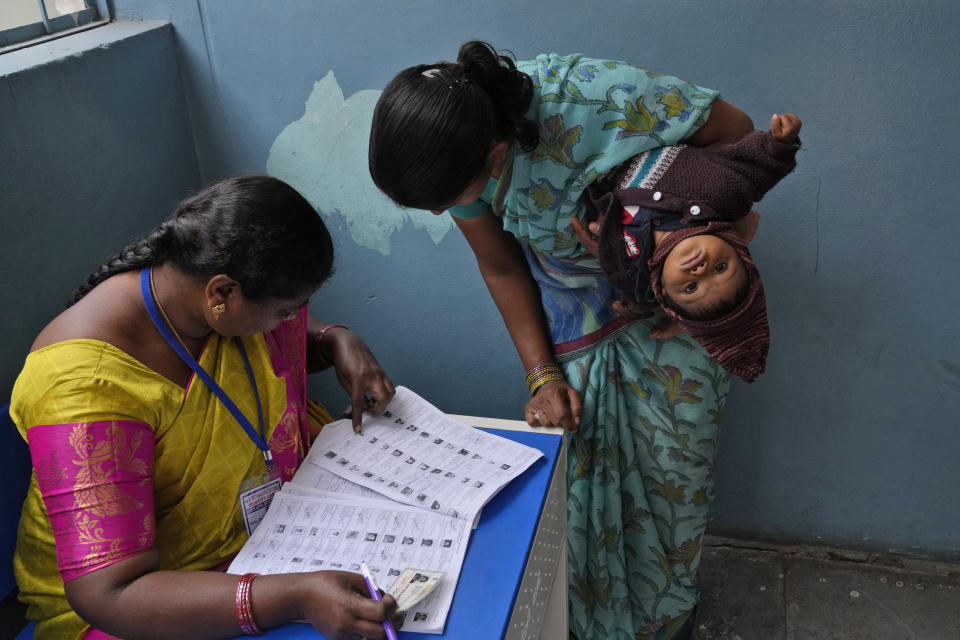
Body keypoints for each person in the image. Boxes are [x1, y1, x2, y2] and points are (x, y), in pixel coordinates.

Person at [370, 41, 759, 639]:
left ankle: (666, 624)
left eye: (450, 201)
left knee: (670, 493)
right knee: (580, 498)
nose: (451, 210)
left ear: (497, 154)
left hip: (674, 320)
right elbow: (502, 266)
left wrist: (712, 253)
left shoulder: (602, 98)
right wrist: (541, 374)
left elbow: (740, 141)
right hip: (573, 331)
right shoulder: (453, 148)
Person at [10, 175, 402, 640]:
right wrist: (294, 596)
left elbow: (283, 338)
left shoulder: (197, 293)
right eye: (284, 310)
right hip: (147, 607)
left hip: (272, 538)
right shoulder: (85, 389)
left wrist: (335, 339)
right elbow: (111, 594)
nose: (291, 321)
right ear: (221, 295)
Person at [580, 112, 803, 382]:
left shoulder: (632, 268)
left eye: (690, 287)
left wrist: (632, 305)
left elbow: (637, 294)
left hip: (591, 152)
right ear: (738, 249)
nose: (700, 271)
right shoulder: (721, 192)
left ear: (662, 289)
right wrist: (781, 143)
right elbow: (755, 171)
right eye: (721, 268)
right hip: (638, 122)